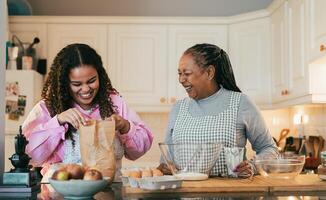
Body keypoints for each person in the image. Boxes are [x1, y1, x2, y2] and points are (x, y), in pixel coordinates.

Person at [22, 43, 154, 180]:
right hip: (59, 193)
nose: (86, 89)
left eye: (91, 81)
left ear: (100, 76)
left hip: (109, 192)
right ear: (64, 83)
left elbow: (139, 150)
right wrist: (57, 121)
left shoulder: (114, 103)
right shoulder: (48, 108)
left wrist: (125, 126)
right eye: (77, 84)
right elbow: (29, 156)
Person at [158, 43, 278, 178]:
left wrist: (253, 166)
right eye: (179, 74)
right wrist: (165, 168)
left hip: (229, 193)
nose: (181, 79)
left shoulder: (241, 103)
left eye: (187, 73)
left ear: (209, 72)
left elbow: (269, 148)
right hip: (185, 194)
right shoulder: (178, 108)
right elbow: (166, 158)